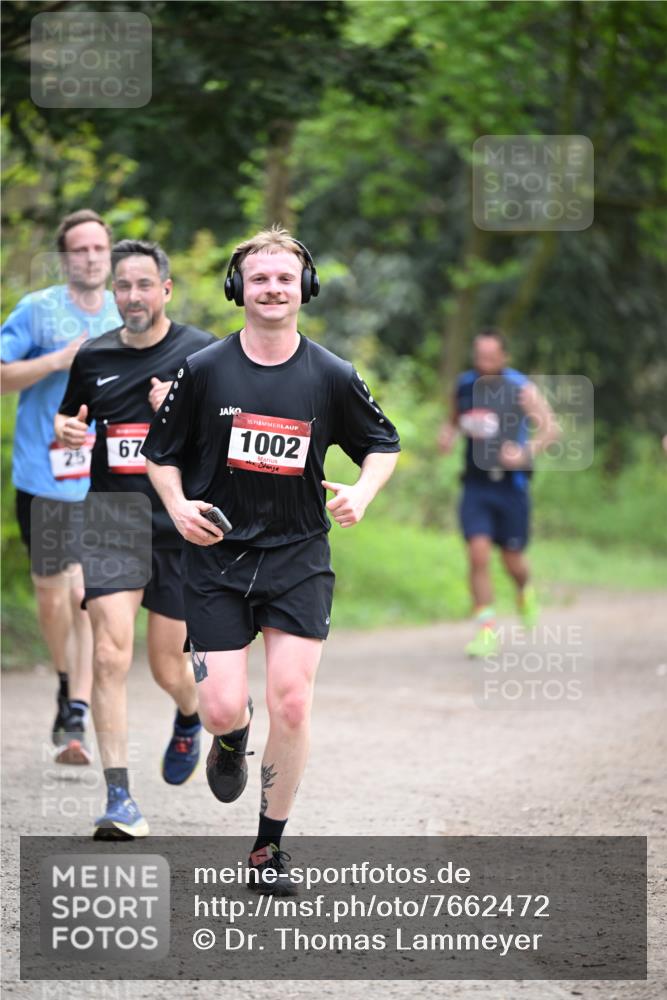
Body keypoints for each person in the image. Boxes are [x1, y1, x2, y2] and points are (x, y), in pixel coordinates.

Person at [143, 226, 400, 894]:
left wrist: (364, 492)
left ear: (304, 289)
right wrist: (174, 506)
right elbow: (159, 453)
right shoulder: (201, 372)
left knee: (291, 702)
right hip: (216, 558)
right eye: (260, 278)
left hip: (297, 556)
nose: (273, 288)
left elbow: (383, 443)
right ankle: (228, 739)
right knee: (225, 705)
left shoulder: (331, 375)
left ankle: (267, 849)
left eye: (285, 278)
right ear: (239, 289)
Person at [54, 239, 217, 839]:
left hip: (175, 523)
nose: (132, 296)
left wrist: (178, 411)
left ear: (166, 290)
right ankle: (118, 797)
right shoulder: (94, 356)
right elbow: (70, 419)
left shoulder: (202, 355)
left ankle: (190, 713)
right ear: (112, 293)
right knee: (107, 654)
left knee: (168, 668)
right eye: (123, 286)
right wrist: (67, 428)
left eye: (144, 285)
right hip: (112, 518)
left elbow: (223, 449)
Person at [1, 209, 120, 764]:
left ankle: (76, 711)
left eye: (99, 247)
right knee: (53, 597)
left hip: (108, 479)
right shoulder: (38, 311)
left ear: (110, 252)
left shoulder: (129, 310)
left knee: (84, 592)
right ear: (65, 256)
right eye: (80, 249)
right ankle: (65, 682)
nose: (91, 257)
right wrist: (58, 360)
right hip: (46, 476)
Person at [439, 329, 558, 657]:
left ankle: (524, 592)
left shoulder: (520, 388)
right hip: (476, 485)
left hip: (511, 486)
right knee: (477, 553)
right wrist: (447, 436)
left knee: (512, 562)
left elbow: (550, 429)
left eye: (491, 358)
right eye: (480, 357)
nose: (485, 364)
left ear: (504, 357)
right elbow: (451, 420)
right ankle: (486, 631)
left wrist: (524, 452)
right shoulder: (464, 386)